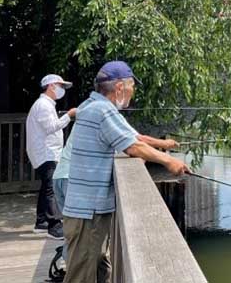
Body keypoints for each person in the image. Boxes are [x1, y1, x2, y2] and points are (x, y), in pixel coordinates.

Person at [62, 61, 190, 283]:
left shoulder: (91, 106)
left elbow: (133, 140)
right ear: (119, 87)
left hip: (87, 209)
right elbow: (133, 146)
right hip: (87, 212)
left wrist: (162, 148)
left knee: (99, 269)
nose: (134, 91)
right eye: (132, 86)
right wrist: (169, 161)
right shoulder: (102, 110)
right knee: (80, 277)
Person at [53, 102, 179, 264]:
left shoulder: (90, 110)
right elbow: (137, 140)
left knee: (75, 233)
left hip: (61, 176)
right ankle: (74, 269)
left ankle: (70, 268)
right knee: (84, 235)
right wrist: (165, 145)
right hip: (75, 180)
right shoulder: (105, 114)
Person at [26, 74, 77, 240]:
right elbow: (51, 128)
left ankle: (41, 222)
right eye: (60, 86)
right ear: (50, 86)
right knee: (51, 189)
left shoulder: (46, 104)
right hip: (46, 153)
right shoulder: (43, 105)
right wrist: (69, 115)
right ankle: (54, 226)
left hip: (46, 152)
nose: (62, 90)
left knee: (46, 186)